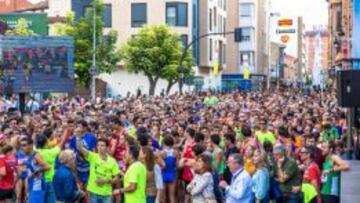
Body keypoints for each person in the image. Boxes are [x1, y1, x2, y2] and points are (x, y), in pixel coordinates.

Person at [76, 130, 120, 203]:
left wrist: (107, 181)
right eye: (98, 145)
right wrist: (78, 138)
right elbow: (80, 148)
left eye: (102, 145)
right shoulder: (93, 156)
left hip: (106, 194)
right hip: (93, 192)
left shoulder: (112, 161)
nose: (99, 147)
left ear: (107, 147)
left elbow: (117, 178)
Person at [20, 136, 50, 203]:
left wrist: (37, 171)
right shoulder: (27, 156)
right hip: (32, 186)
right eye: (21, 145)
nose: (22, 148)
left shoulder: (36, 156)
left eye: (24, 145)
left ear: (30, 145)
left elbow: (48, 167)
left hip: (37, 187)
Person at [161, 135, 178, 203]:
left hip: (163, 174)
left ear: (164, 143)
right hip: (172, 174)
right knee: (172, 196)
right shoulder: (175, 152)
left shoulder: (162, 152)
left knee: (164, 196)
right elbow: (177, 165)